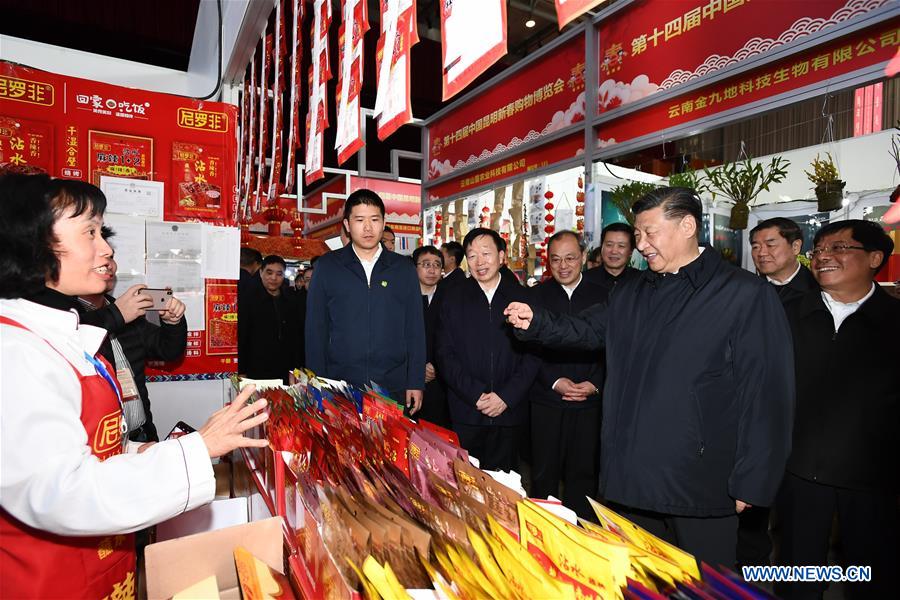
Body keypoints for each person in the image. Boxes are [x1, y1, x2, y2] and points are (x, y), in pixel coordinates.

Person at [0, 173, 268, 599]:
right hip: (47, 580)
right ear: (30, 243)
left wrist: (151, 450)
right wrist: (198, 450)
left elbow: (83, 448)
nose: (106, 248)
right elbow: (62, 493)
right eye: (89, 231)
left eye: (102, 231)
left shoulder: (55, 333)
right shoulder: (15, 352)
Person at [504, 187, 794, 567]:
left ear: (687, 225)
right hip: (632, 475)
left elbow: (767, 393)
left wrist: (754, 479)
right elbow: (588, 329)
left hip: (701, 480)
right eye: (637, 234)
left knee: (704, 586)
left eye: (649, 232)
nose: (640, 244)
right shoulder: (633, 291)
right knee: (639, 582)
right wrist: (537, 321)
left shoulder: (743, 294)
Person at [776, 220, 898, 600]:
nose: (823, 257)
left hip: (874, 477)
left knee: (872, 574)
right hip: (798, 469)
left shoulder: (894, 321)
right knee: (798, 574)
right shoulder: (785, 315)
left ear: (875, 258)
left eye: (840, 248)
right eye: (819, 250)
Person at [306, 189, 425, 411]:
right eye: (360, 220)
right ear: (347, 225)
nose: (368, 228)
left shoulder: (403, 269)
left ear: (383, 223)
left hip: (393, 385)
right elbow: (316, 330)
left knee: (394, 445)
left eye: (374, 219)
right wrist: (317, 383)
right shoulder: (328, 266)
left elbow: (415, 330)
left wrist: (415, 381)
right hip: (340, 385)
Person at [436, 228, 540, 471]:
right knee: (466, 486)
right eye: (472, 256)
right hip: (467, 410)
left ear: (502, 256)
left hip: (509, 412)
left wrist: (506, 396)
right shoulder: (453, 298)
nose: (479, 262)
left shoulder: (523, 298)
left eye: (486, 253)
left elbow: (534, 354)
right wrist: (475, 395)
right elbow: (444, 353)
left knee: (506, 489)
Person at [529, 231, 608, 521]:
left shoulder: (604, 296)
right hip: (547, 400)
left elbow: (614, 350)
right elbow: (526, 349)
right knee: (543, 474)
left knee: (584, 476)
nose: (563, 266)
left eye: (570, 258)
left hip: (589, 402)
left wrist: (595, 385)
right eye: (556, 259)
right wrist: (554, 381)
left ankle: (582, 533)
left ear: (584, 258)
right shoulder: (535, 296)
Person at [78, 238, 188, 443]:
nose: (108, 263)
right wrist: (117, 314)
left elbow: (169, 351)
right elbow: (76, 341)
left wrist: (173, 322)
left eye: (110, 256)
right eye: (97, 257)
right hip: (99, 447)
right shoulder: (66, 317)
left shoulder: (128, 312)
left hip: (142, 436)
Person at [238, 255, 305, 384]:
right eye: (269, 272)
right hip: (257, 368)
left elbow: (296, 336)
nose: (274, 278)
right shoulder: (249, 300)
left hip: (286, 368)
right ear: (261, 272)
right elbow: (242, 337)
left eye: (279, 274)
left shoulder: (291, 300)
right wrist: (242, 370)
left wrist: (298, 366)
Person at [412, 245, 451, 429]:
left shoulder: (450, 299)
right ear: (415, 268)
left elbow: (455, 339)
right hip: (409, 377)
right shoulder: (404, 299)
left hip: (440, 378)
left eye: (437, 264)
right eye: (426, 264)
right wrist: (416, 367)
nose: (432, 269)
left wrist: (436, 365)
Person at [750, 217, 818, 304]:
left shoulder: (819, 288)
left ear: (795, 247)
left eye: (770, 245)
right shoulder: (747, 288)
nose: (761, 253)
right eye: (755, 247)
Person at [585, 222, 640, 289]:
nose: (614, 251)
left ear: (631, 251)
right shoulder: (584, 280)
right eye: (609, 245)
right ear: (601, 246)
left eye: (621, 246)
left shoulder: (640, 281)